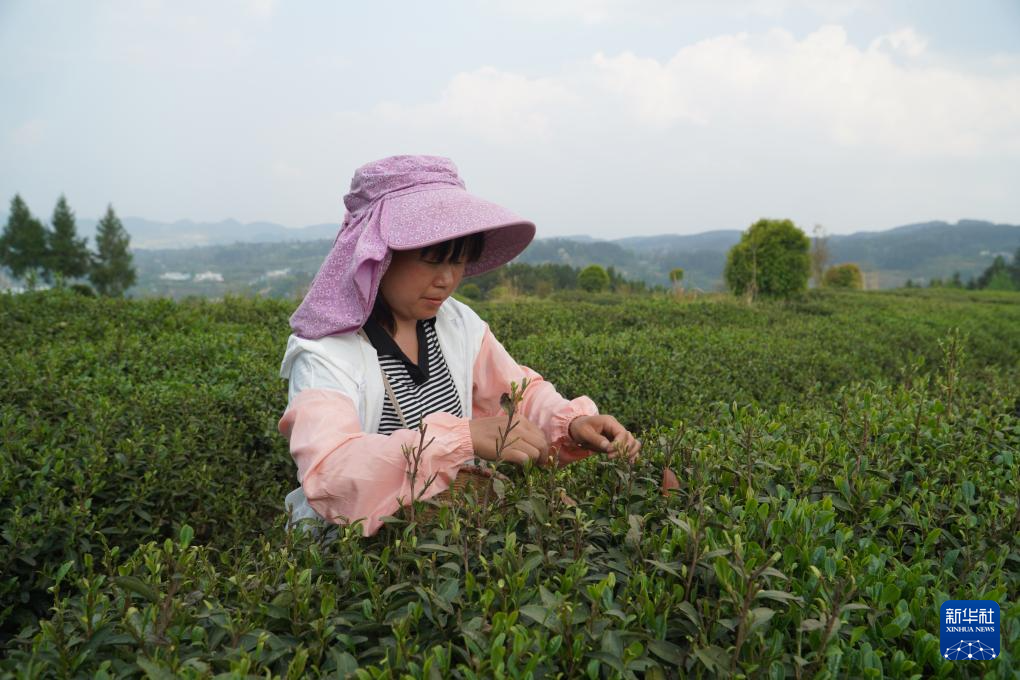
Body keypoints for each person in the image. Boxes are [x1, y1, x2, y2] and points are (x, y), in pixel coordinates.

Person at [277, 155, 641, 536]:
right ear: (379, 255)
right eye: (432, 260)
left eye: (459, 262)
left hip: (455, 538)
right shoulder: (325, 354)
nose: (448, 280)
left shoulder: (456, 323)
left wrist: (572, 424)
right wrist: (461, 437)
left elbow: (518, 393)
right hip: (356, 560)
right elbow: (332, 472)